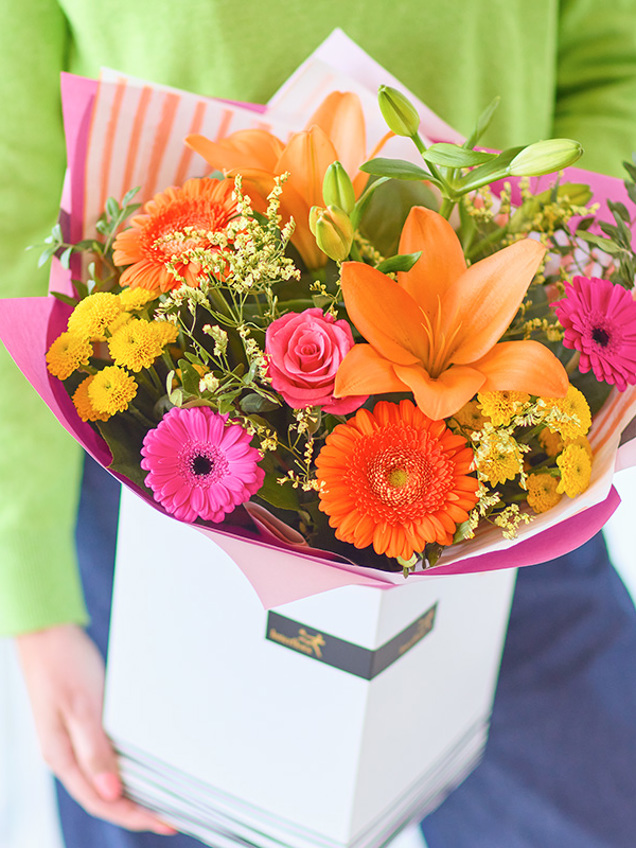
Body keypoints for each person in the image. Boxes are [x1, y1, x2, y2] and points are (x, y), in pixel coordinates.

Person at [2, 1, 636, 846]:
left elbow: (613, 67)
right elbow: (12, 198)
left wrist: (553, 269)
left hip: (509, 468)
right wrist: (35, 600)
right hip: (166, 473)